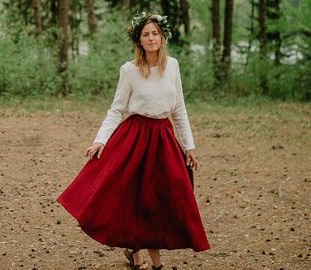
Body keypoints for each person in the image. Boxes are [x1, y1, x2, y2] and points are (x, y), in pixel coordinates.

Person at [57, 11, 210, 270]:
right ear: (139, 40)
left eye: (155, 34)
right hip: (135, 139)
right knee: (133, 197)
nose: (151, 38)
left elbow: (179, 109)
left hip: (163, 139)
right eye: (146, 34)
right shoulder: (129, 70)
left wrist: (189, 146)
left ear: (163, 38)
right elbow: (116, 109)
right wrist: (100, 140)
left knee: (160, 198)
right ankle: (138, 255)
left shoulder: (172, 65)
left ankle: (150, 255)